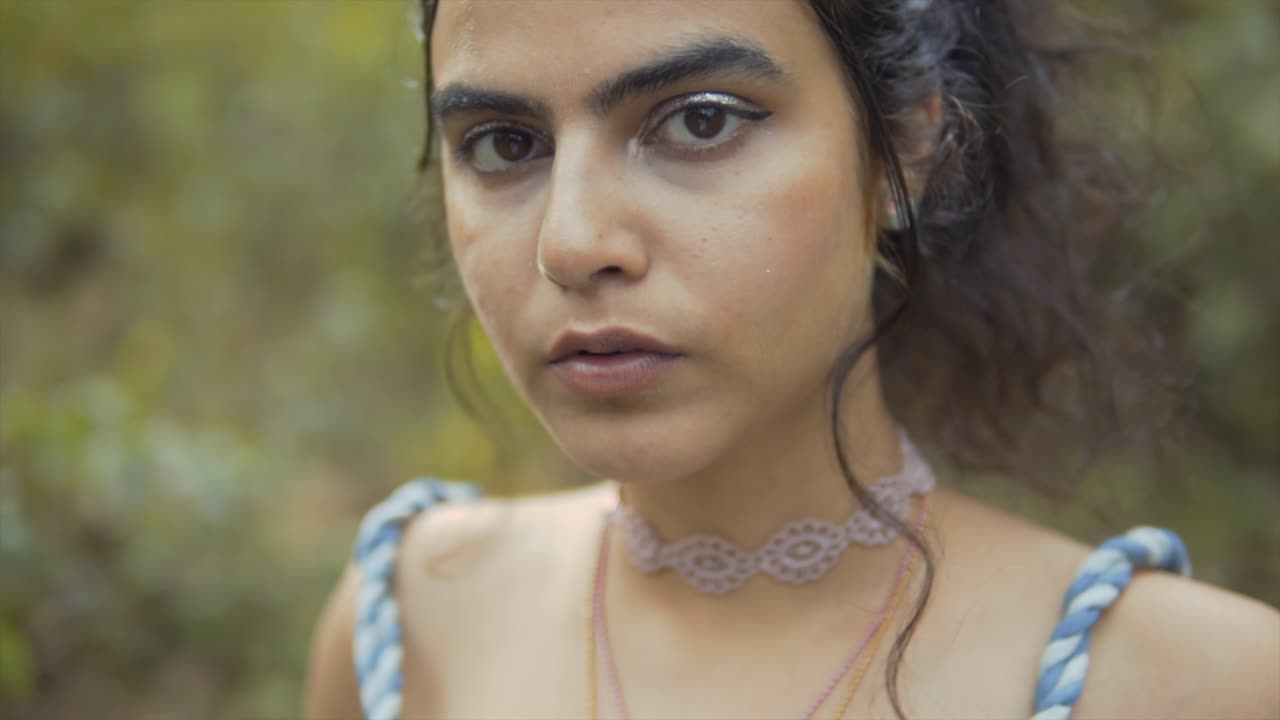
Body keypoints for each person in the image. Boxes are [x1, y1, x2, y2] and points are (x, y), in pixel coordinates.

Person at [304, 2, 1280, 719]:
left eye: (698, 119)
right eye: (502, 142)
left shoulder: (1181, 682)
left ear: (903, 144)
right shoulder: (410, 620)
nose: (570, 241)